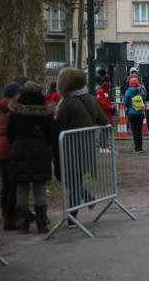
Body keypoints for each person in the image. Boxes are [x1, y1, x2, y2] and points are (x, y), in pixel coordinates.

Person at [54, 68, 109, 226]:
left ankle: (72, 217)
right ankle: (88, 199)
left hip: (70, 148)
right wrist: (101, 144)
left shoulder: (68, 103)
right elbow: (105, 122)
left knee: (73, 180)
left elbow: (58, 128)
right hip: (87, 147)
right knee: (75, 181)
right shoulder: (91, 99)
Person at [6, 81, 55, 234]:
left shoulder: (16, 112)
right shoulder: (45, 112)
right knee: (39, 188)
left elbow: (9, 133)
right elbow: (51, 134)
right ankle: (42, 223)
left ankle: (23, 223)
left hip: (19, 151)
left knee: (22, 188)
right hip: (40, 151)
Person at [0, 82, 22, 230]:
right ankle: (10, 215)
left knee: (7, 184)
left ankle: (6, 212)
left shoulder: (6, 109)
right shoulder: (13, 111)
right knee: (13, 184)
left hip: (2, 151)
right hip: (8, 151)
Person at [124, 77, 146, 153]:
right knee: (140, 130)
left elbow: (126, 102)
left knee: (135, 130)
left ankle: (136, 148)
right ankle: (140, 147)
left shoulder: (128, 91)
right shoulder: (141, 90)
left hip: (132, 113)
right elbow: (143, 100)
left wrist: (128, 106)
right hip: (140, 112)